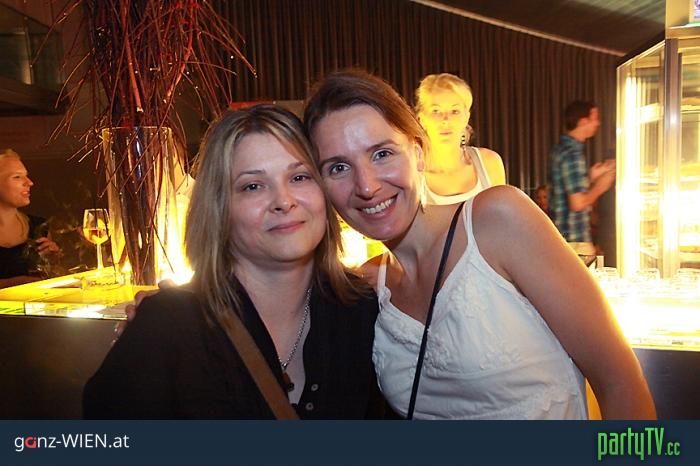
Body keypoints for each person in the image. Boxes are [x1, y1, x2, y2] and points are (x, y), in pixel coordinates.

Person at [304, 70, 655, 419]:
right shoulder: (367, 287)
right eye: (338, 168)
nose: (366, 186)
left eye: (382, 154)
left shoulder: (498, 222)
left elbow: (620, 382)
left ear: (418, 153)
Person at [83, 105, 382, 419]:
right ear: (219, 208)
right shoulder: (169, 326)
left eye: (299, 177)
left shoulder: (363, 312)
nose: (283, 201)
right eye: (253, 186)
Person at [414, 73, 505, 204]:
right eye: (436, 111)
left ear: (466, 117)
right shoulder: (411, 171)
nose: (446, 120)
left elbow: (501, 215)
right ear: (422, 118)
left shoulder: (489, 163)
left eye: (454, 111)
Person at [548, 100, 615, 256]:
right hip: (575, 240)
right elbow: (577, 204)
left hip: (562, 237)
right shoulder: (573, 154)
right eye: (594, 118)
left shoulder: (561, 149)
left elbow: (565, 190)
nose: (598, 123)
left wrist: (590, 177)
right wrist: (600, 186)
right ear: (583, 121)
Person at [0, 149, 59, 288]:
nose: (29, 182)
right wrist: (19, 283)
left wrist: (53, 259)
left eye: (26, 176)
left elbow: (49, 277)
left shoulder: (39, 227)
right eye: (17, 177)